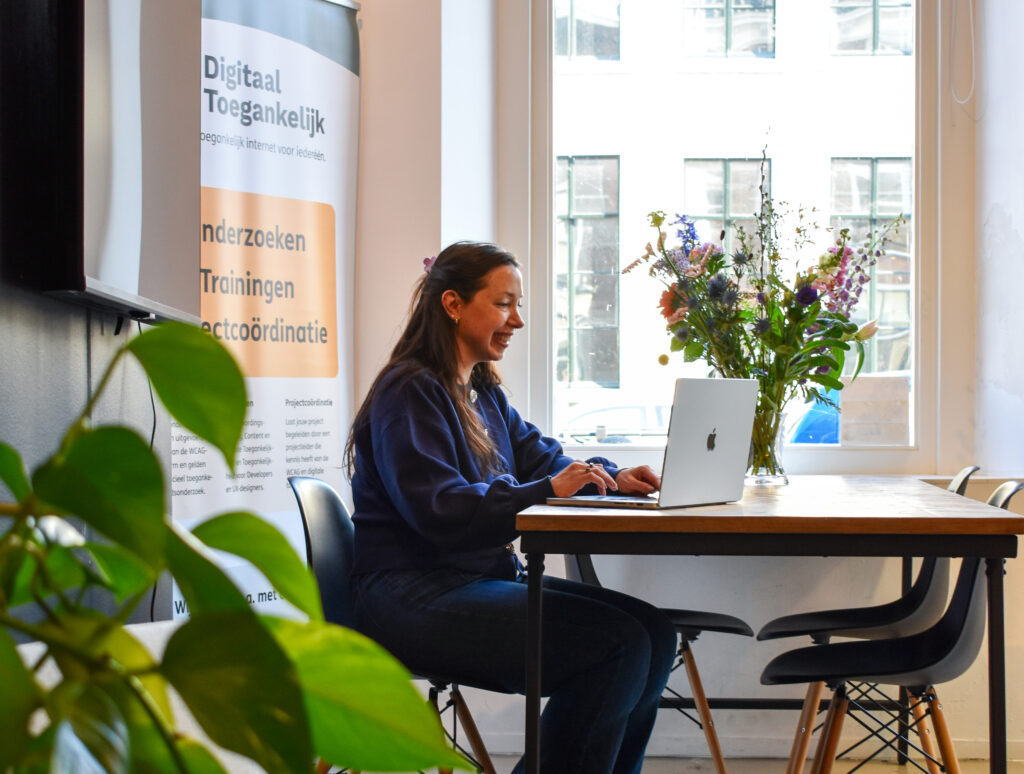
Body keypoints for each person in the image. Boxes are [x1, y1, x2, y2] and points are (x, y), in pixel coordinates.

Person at [345, 241, 675, 774]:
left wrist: (610, 477)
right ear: (453, 305)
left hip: (469, 581)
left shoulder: (482, 393)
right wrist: (546, 488)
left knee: (655, 635)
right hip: (411, 595)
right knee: (617, 646)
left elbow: (541, 459)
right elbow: (442, 509)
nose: (517, 320)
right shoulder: (408, 392)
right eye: (504, 304)